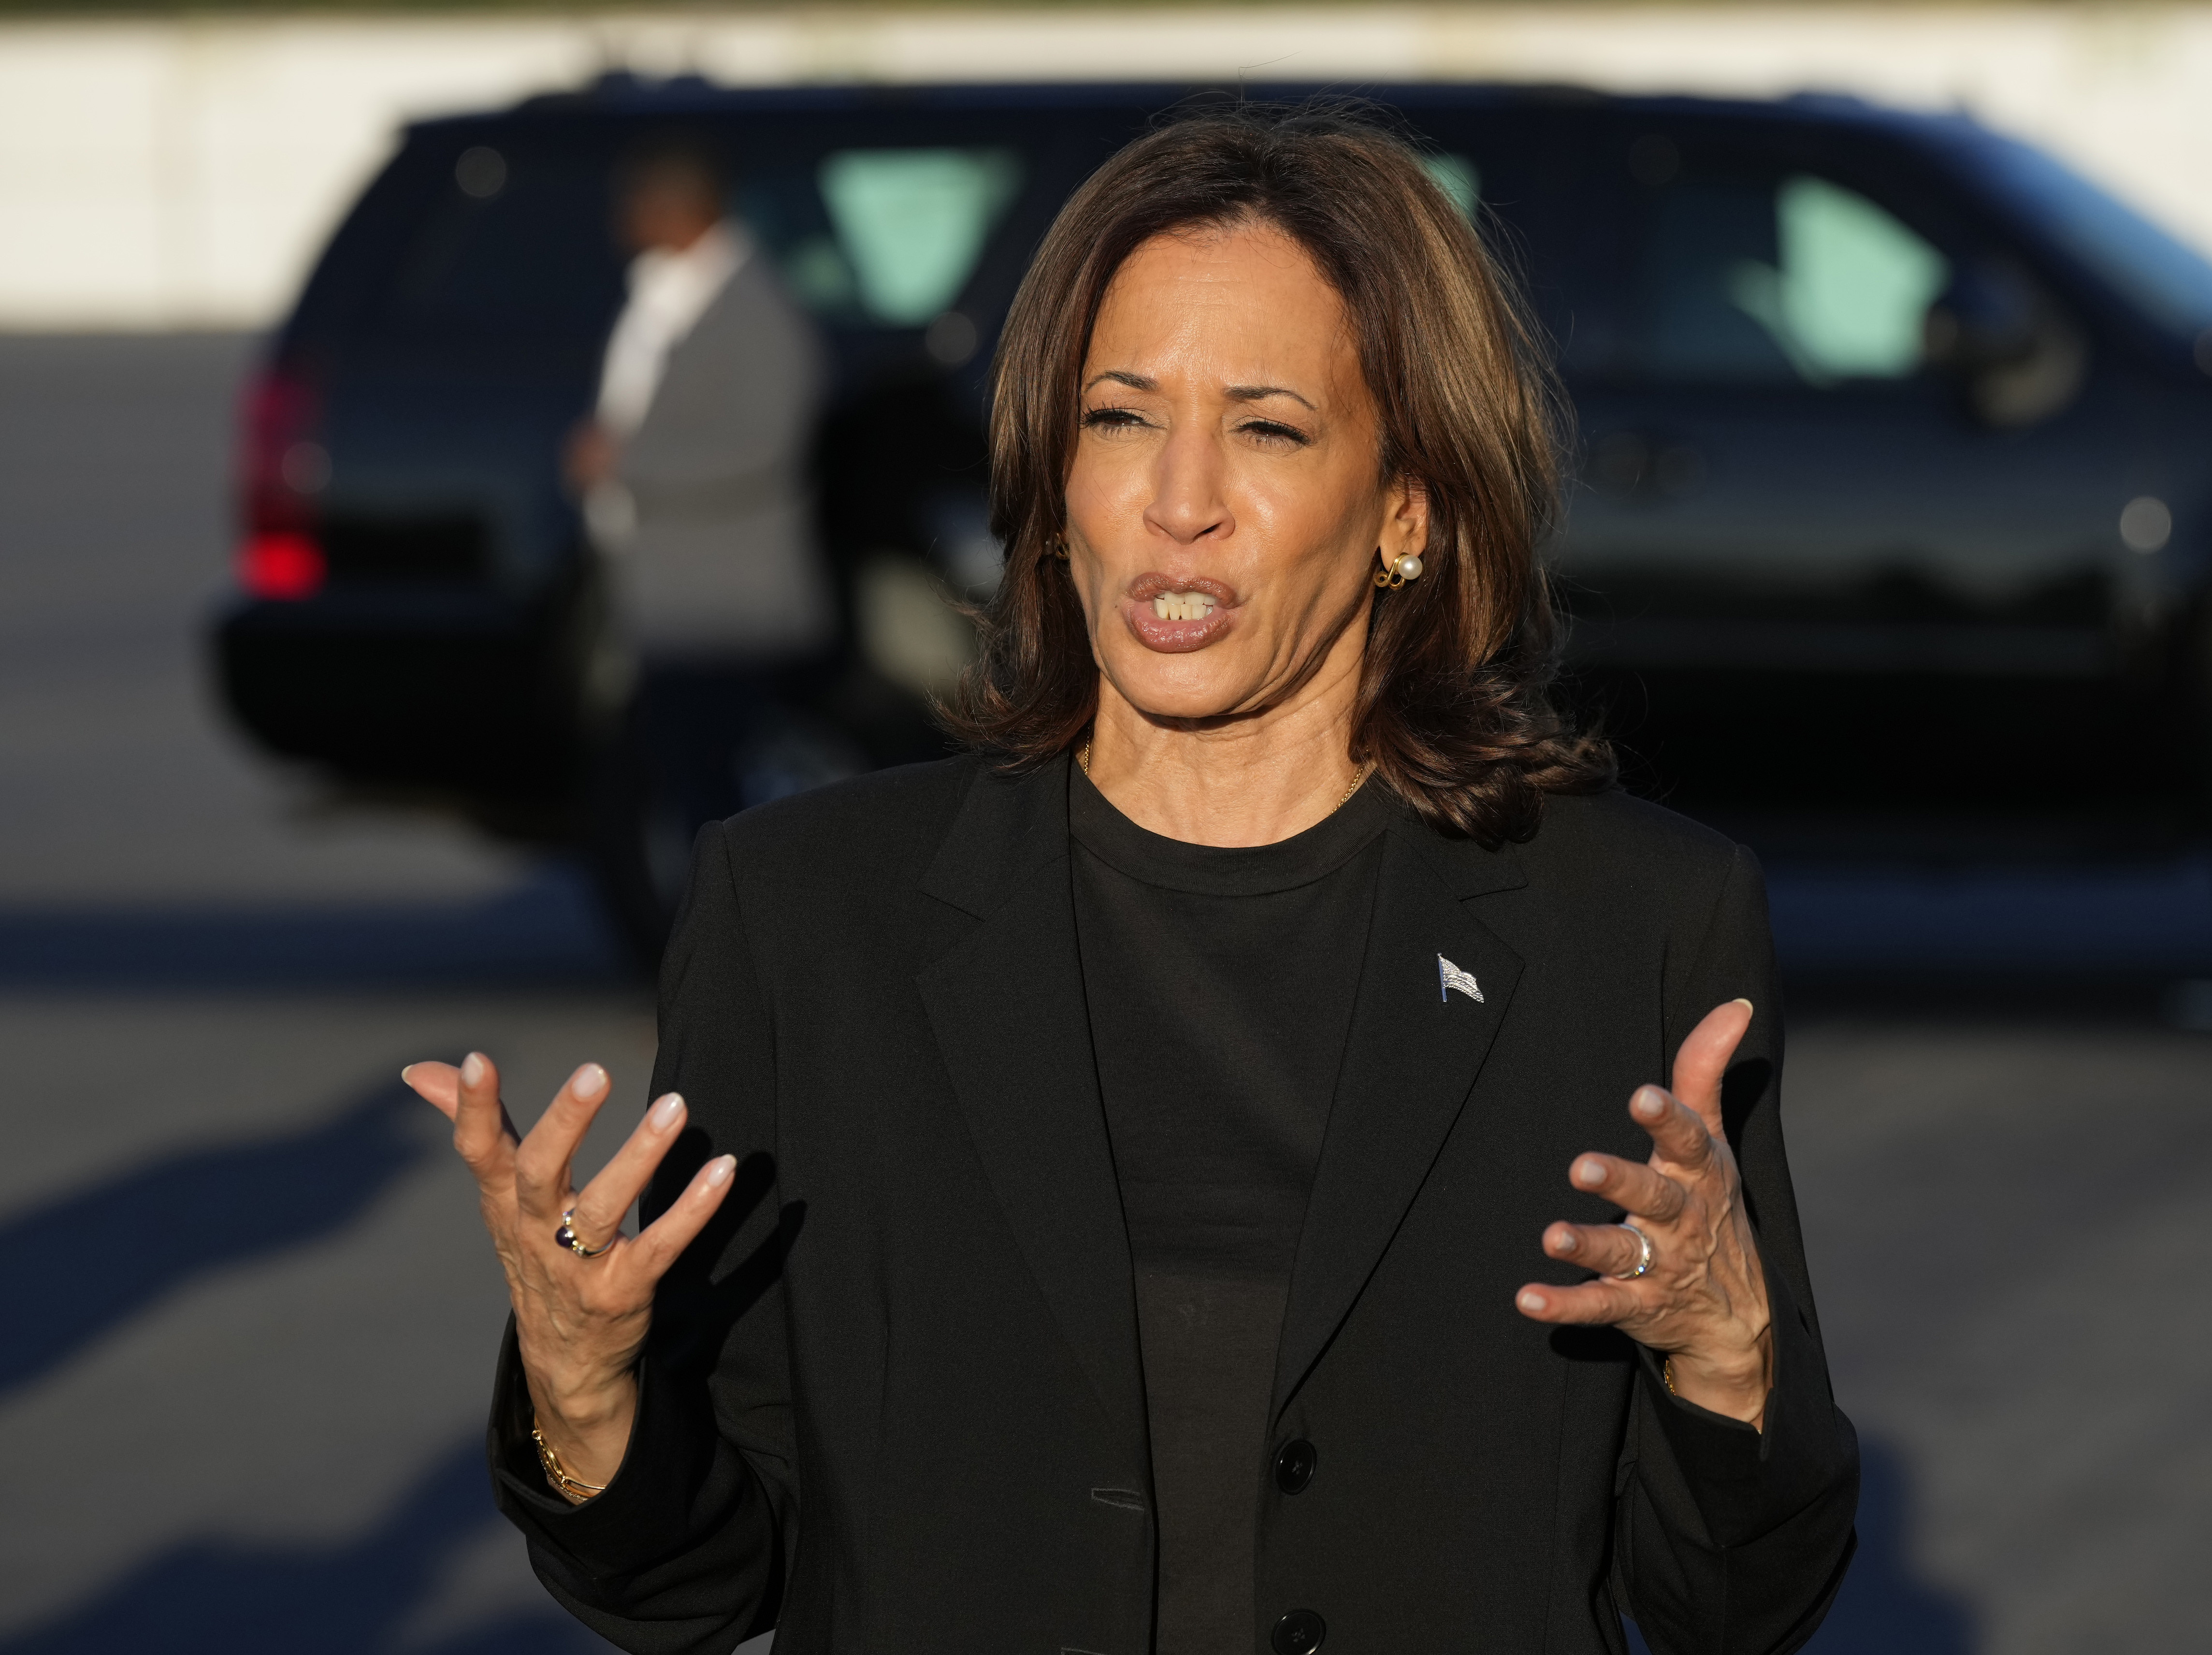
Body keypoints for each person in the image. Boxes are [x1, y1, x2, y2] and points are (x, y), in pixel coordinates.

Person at [409, 103, 1859, 1655]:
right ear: (1055, 476)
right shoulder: (808, 917)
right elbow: (698, 1587)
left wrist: (1726, 1352)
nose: (1180, 498)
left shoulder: (1630, 927)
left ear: (1410, 512)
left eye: (1269, 426)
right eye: (1119, 417)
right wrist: (582, 1384)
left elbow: (1727, 1609)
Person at [566, 135, 838, 932]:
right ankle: (726, 958)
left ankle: (736, 960)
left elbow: (764, 443)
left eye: (637, 201)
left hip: (724, 607)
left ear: (681, 208)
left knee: (718, 798)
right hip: (676, 597)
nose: (622, 219)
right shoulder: (673, 296)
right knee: (692, 788)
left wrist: (628, 462)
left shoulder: (754, 308)